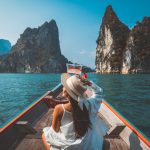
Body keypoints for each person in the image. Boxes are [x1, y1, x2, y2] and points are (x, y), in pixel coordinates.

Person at [42, 73, 108, 150]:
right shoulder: (90, 104)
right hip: (87, 143)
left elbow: (54, 132)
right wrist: (87, 82)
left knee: (44, 135)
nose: (63, 87)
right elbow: (98, 92)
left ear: (68, 92)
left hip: (69, 146)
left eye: (65, 86)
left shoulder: (59, 109)